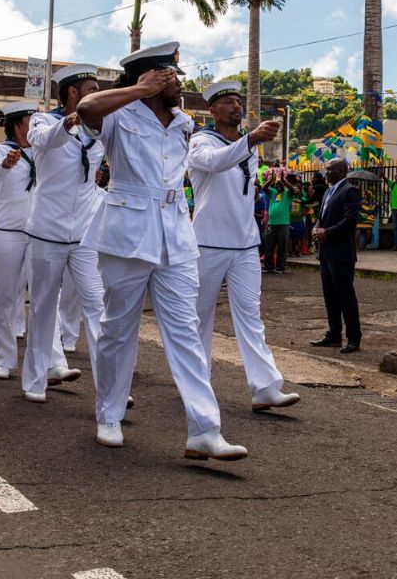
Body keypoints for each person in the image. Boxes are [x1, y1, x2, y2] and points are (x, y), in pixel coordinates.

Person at [78, 41, 246, 460]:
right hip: (128, 233)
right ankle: (109, 414)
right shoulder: (118, 113)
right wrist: (139, 90)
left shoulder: (184, 123)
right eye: (171, 77)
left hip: (175, 233)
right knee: (118, 329)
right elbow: (85, 110)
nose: (179, 85)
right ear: (151, 78)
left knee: (186, 331)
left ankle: (204, 430)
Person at [187, 79, 300, 412]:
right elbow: (214, 162)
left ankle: (265, 387)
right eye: (229, 102)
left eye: (239, 102)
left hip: (246, 243)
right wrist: (251, 139)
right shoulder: (199, 141)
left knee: (251, 315)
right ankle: (196, 381)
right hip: (207, 242)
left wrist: (250, 142)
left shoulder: (249, 147)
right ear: (212, 110)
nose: (237, 107)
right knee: (199, 315)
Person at [21, 65, 107, 403]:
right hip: (46, 231)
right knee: (43, 307)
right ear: (72, 93)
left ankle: (109, 388)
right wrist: (71, 121)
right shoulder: (44, 122)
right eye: (91, 88)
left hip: (84, 234)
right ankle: (35, 380)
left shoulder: (99, 129)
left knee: (98, 308)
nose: (97, 93)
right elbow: (40, 139)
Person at [0, 101, 38, 380]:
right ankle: (4, 359)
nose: (36, 125)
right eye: (32, 120)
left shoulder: (43, 152)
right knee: (6, 295)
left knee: (43, 297)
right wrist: (6, 164)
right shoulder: (0, 150)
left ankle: (46, 360)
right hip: (6, 232)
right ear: (19, 124)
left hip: (37, 233)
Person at [310, 158, 362, 354]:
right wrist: (316, 228)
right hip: (326, 252)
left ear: (341, 171)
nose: (326, 173)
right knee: (330, 295)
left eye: (329, 170)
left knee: (345, 296)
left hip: (341, 253)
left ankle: (353, 337)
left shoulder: (349, 191)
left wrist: (327, 232)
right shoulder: (328, 192)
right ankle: (333, 334)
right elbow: (322, 217)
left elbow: (350, 221)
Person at [261, 170, 302, 273]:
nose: (278, 186)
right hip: (271, 223)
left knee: (282, 247)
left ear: (283, 185)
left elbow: (293, 189)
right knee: (269, 246)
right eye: (276, 185)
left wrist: (284, 180)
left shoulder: (288, 193)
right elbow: (263, 188)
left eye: (280, 185)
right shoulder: (273, 192)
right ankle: (269, 267)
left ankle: (280, 267)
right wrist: (271, 180)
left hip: (283, 224)